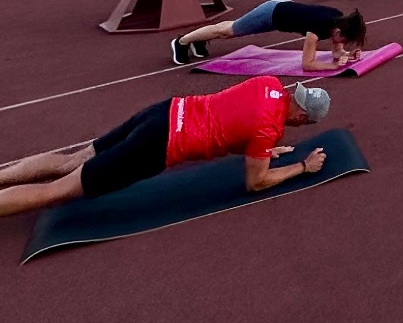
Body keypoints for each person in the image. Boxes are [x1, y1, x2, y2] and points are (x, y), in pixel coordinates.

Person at [0, 75, 332, 220]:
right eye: (306, 122)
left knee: (70, 160)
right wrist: (303, 167)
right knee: (56, 192)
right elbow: (255, 182)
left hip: (164, 112)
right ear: (303, 118)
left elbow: (232, 121)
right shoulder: (267, 129)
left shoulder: (269, 84)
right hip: (157, 145)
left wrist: (261, 151)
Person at [171, 0, 367, 73]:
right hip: (269, 15)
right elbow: (307, 65)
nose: (342, 43)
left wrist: (346, 55)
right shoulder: (317, 29)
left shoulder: (338, 21)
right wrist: (332, 66)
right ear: (339, 32)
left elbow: (337, 49)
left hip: (281, 7)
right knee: (227, 31)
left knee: (227, 30)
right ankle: (182, 41)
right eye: (344, 40)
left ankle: (195, 41)